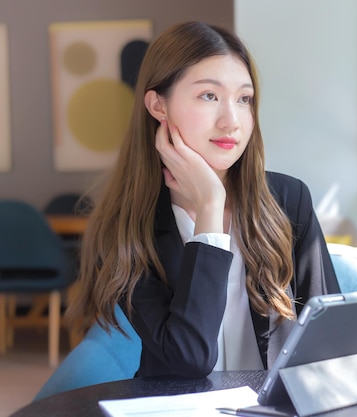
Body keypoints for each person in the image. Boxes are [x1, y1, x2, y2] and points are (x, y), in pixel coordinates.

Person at [66, 21, 340, 378]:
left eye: (244, 99)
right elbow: (187, 358)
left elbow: (333, 335)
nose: (232, 121)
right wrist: (211, 206)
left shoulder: (289, 200)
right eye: (209, 96)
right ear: (158, 105)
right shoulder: (125, 226)